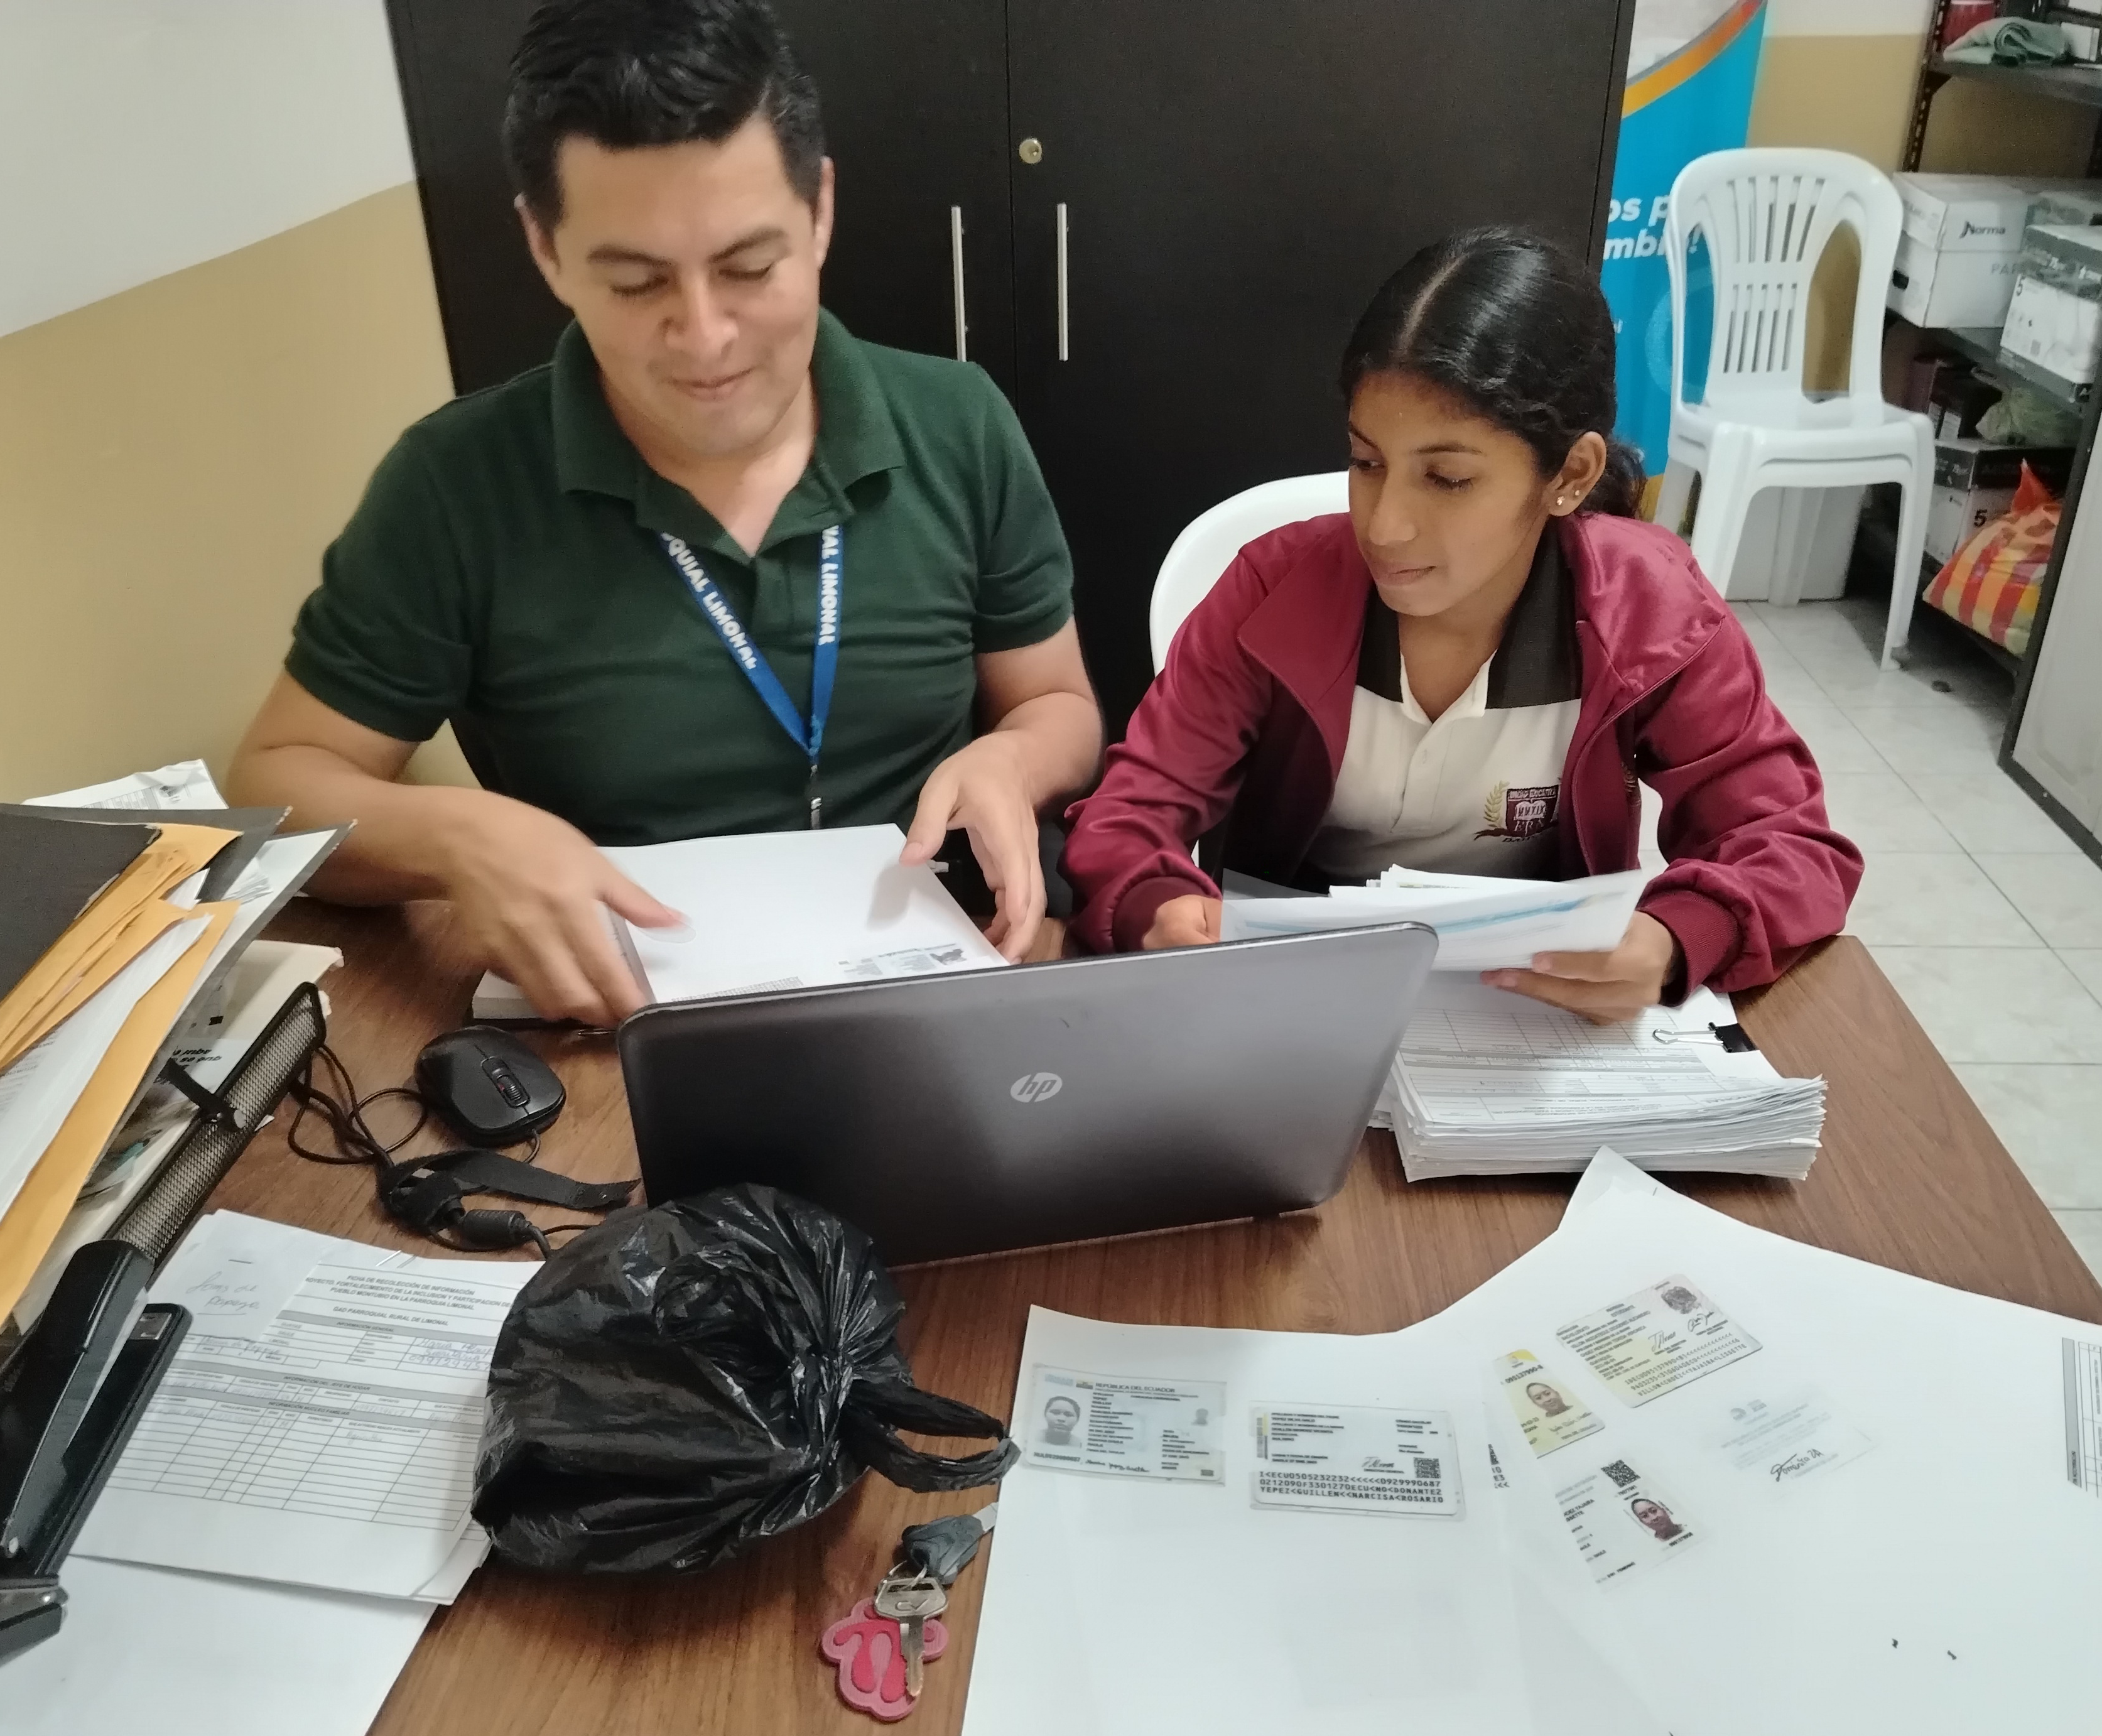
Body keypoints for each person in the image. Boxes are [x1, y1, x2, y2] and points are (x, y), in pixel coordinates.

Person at [228, 0, 1100, 1025]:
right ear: (546, 248)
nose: (705, 335)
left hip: (939, 980)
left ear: (820, 211)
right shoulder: (456, 485)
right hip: (624, 1020)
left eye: (748, 267)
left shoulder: (958, 425)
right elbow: (275, 792)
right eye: (638, 283)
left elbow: (1059, 705)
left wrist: (1012, 758)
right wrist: (457, 840)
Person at [1059, 227, 1858, 1021]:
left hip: (1531, 1003)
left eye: (1445, 478)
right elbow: (1128, 815)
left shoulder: (1648, 611)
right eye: (1366, 462)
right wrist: (1156, 905)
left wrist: (1675, 936)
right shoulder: (1272, 593)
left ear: (1570, 475)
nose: (1384, 526)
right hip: (1291, 998)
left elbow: (1790, 845)